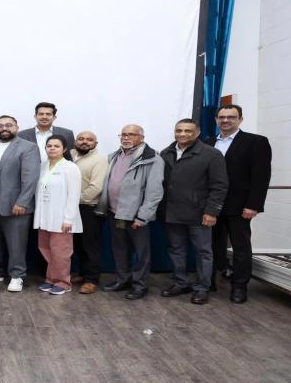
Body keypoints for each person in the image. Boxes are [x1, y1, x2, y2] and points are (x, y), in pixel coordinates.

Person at [204, 104, 272, 303]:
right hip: (212, 205)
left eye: (231, 117)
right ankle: (209, 282)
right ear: (216, 120)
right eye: (222, 117)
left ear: (240, 119)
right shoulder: (207, 142)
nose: (225, 120)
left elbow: (261, 176)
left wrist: (253, 205)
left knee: (241, 248)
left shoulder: (256, 142)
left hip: (240, 206)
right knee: (211, 246)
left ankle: (240, 286)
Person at [159, 119, 228, 305]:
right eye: (179, 130)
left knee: (203, 252)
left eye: (188, 131)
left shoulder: (211, 154)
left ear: (197, 133)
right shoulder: (166, 153)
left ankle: (202, 287)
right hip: (171, 213)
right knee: (176, 250)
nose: (182, 134)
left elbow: (219, 186)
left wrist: (212, 212)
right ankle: (179, 283)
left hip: (200, 214)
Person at [96, 124, 164, 300]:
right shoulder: (114, 156)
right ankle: (122, 280)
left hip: (136, 216)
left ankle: (140, 285)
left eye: (132, 134)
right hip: (115, 213)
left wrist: (143, 216)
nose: (126, 138)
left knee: (141, 253)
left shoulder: (153, 159)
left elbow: (155, 192)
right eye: (124, 134)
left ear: (141, 137)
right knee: (119, 249)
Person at [0, 115, 40, 292]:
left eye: (9, 125)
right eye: (0, 126)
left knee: (16, 244)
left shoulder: (28, 147)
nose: (4, 128)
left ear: (17, 127)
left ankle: (17, 276)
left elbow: (30, 178)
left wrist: (22, 202)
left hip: (16, 205)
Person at [34, 135, 82, 295]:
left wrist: (69, 219)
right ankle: (51, 279)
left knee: (61, 252)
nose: (52, 148)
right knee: (45, 248)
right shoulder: (43, 166)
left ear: (64, 149)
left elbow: (74, 195)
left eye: (56, 146)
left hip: (62, 218)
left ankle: (63, 282)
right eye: (49, 146)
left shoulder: (70, 167)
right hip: (44, 216)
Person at [70, 131, 108, 294]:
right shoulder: (70, 155)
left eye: (89, 139)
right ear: (75, 141)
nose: (85, 142)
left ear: (95, 143)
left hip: (88, 208)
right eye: (81, 139)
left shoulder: (99, 160)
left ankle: (91, 280)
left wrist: (73, 200)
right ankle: (82, 273)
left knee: (90, 245)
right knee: (77, 244)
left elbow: (96, 187)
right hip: (72, 208)